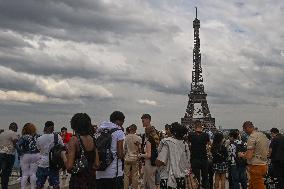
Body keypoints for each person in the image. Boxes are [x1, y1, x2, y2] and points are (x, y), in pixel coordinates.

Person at [61, 113, 99, 189]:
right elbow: (97, 164)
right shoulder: (92, 139)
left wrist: (63, 156)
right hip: (91, 181)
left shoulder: (74, 140)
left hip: (78, 182)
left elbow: (69, 167)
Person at [96, 111, 125, 189]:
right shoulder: (119, 132)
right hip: (114, 173)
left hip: (99, 172)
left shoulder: (99, 131)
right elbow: (120, 154)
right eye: (122, 121)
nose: (122, 124)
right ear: (118, 120)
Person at [156, 122, 190, 189]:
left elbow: (160, 161)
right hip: (182, 178)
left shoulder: (168, 143)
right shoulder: (185, 145)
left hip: (168, 178)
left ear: (173, 132)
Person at [239, 121, 269, 189]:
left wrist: (241, 155)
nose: (244, 131)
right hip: (264, 165)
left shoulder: (252, 137)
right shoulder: (262, 135)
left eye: (244, 129)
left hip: (255, 166)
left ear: (248, 127)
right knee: (252, 185)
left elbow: (249, 156)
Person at [36, 121, 63, 189]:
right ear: (52, 127)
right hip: (53, 164)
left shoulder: (39, 138)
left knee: (39, 184)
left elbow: (38, 149)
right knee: (55, 184)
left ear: (45, 127)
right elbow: (62, 148)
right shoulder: (57, 137)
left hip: (42, 163)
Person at [16, 123, 40, 189]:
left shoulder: (24, 137)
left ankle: (23, 187)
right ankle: (33, 187)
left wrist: (20, 153)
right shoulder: (37, 136)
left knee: (25, 174)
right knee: (33, 174)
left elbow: (17, 145)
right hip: (35, 156)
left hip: (25, 155)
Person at [188, 120, 210, 189]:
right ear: (201, 126)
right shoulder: (206, 135)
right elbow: (209, 146)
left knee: (196, 179)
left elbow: (188, 145)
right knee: (205, 178)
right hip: (204, 159)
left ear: (195, 126)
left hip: (194, 159)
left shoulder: (191, 135)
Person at [0, 122, 18, 189]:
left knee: (2, 171)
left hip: (1, 154)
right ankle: (4, 187)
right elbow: (16, 144)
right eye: (17, 127)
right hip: (8, 155)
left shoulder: (2, 133)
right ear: (14, 127)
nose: (17, 129)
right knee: (6, 173)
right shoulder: (13, 133)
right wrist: (21, 152)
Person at [124, 124, 142, 189]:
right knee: (135, 175)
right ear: (136, 129)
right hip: (135, 158)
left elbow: (124, 148)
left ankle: (126, 187)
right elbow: (139, 149)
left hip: (127, 157)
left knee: (126, 175)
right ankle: (135, 187)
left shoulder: (126, 137)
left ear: (129, 129)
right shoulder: (138, 138)